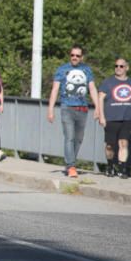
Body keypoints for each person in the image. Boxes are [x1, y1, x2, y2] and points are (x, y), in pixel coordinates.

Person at [47, 44, 99, 178]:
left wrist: (97, 107)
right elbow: (55, 90)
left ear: (82, 57)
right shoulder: (62, 69)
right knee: (69, 137)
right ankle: (71, 166)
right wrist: (50, 109)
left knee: (79, 139)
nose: (74, 57)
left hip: (82, 108)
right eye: (72, 55)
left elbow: (92, 89)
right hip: (67, 107)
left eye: (77, 55)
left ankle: (71, 162)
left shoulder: (87, 70)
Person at [97, 57, 131, 178]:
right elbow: (100, 98)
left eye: (121, 66)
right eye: (116, 66)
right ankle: (110, 165)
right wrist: (101, 116)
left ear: (126, 68)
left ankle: (122, 169)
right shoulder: (108, 82)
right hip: (111, 118)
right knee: (110, 145)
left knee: (124, 143)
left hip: (127, 119)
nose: (118, 68)